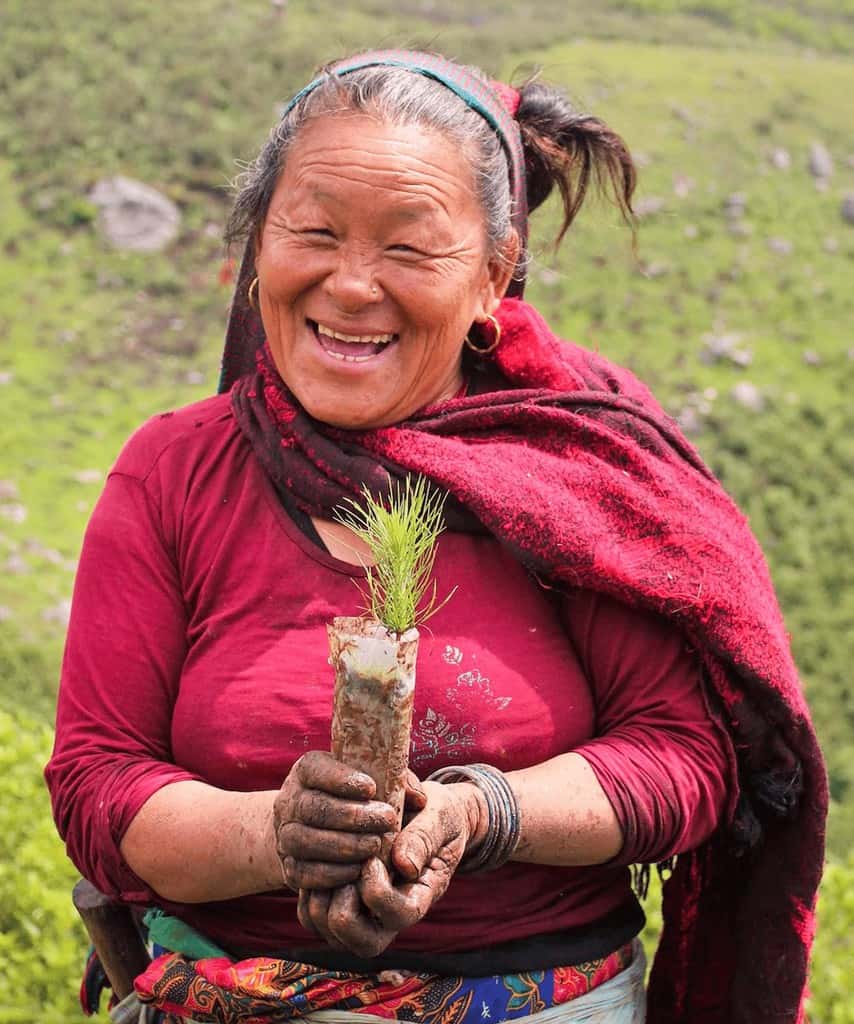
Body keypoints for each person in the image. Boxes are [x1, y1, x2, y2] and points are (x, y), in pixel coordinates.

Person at [46, 50, 826, 1024]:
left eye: (409, 249)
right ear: (258, 246)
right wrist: (276, 832)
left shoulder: (578, 481)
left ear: (493, 275)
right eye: (313, 233)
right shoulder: (174, 473)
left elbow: (681, 759)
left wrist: (479, 813)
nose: (351, 285)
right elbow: (97, 781)